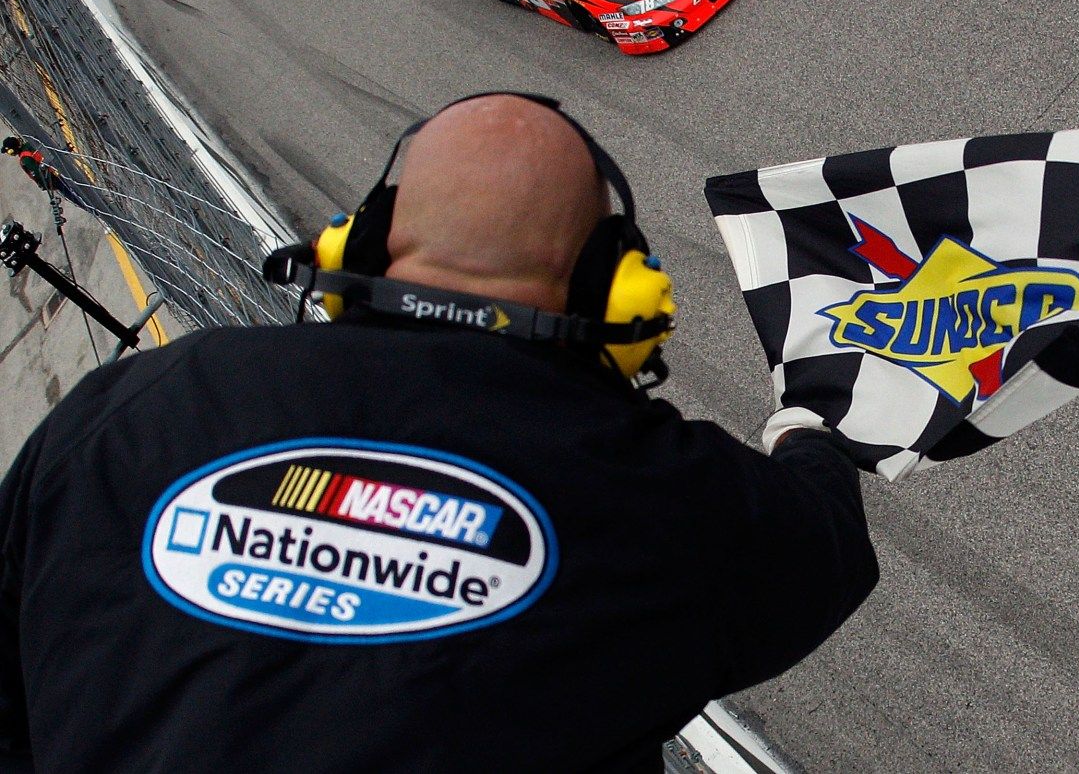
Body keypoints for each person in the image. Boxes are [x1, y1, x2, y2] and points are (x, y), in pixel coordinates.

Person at [0, 93, 878, 772]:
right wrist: (808, 439)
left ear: (361, 246)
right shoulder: (649, 496)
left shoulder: (126, 409)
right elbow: (825, 552)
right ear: (614, 293)